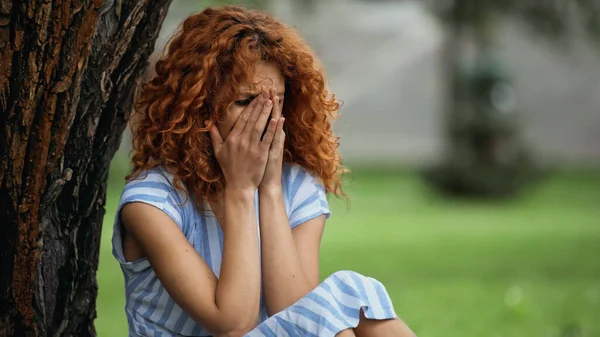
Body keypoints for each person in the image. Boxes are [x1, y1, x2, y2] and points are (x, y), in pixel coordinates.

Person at [112, 5, 416, 337]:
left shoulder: (295, 185)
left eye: (276, 102)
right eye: (246, 102)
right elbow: (231, 324)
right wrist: (241, 190)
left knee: (350, 298)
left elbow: (300, 317)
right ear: (199, 108)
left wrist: (269, 189)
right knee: (344, 300)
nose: (265, 119)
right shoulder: (151, 202)